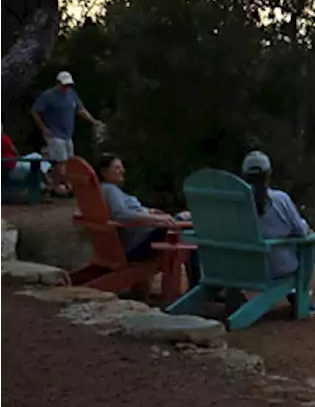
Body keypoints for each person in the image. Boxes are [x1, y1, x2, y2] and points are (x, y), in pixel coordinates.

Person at [95, 153, 200, 287]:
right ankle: (197, 282)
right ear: (104, 172)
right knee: (188, 222)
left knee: (187, 223)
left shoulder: (105, 189)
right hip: (139, 243)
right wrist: (156, 218)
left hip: (139, 236)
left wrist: (148, 211)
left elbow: (125, 210)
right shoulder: (110, 189)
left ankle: (197, 281)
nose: (122, 171)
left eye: (121, 167)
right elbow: (121, 214)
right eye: (116, 168)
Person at [241, 150, 315, 315]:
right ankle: (300, 295)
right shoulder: (280, 200)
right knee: (305, 243)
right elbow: (301, 232)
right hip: (277, 267)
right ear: (268, 175)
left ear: (243, 175)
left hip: (239, 267)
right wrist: (307, 228)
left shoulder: (232, 201)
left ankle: (233, 295)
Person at [32, 71, 103, 197]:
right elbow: (35, 111)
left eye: (68, 85)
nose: (66, 87)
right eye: (64, 85)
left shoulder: (71, 94)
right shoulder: (48, 95)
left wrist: (93, 121)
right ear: (58, 83)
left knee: (68, 161)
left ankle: (54, 186)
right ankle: (69, 187)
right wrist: (43, 128)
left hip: (67, 134)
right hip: (54, 133)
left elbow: (80, 109)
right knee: (61, 162)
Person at [0, 120, 51, 187]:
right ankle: (47, 180)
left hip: (8, 167)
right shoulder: (3, 138)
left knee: (36, 158)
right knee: (37, 159)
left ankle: (45, 181)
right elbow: (14, 150)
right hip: (14, 165)